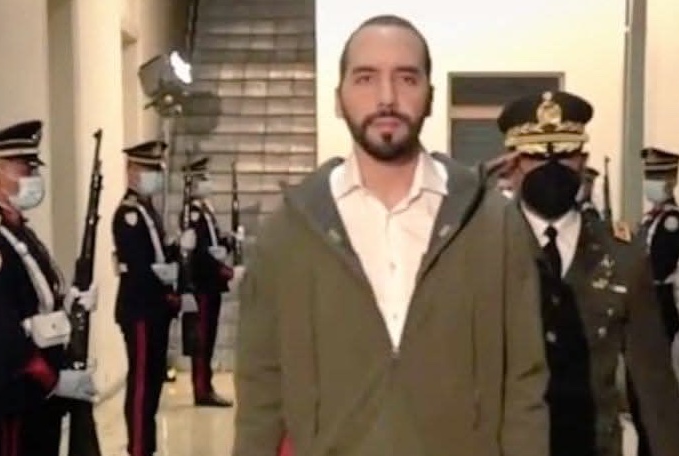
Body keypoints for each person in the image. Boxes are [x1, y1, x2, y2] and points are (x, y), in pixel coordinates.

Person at [234, 14, 548, 456]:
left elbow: (524, 385)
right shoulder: (288, 233)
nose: (386, 97)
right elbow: (260, 392)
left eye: (406, 78)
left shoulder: (492, 224)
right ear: (338, 98)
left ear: (430, 96)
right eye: (365, 78)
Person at [496, 90, 679, 456]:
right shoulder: (485, 248)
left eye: (564, 153)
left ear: (583, 160)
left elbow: (653, 385)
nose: (551, 167)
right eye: (537, 156)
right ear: (513, 164)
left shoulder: (623, 254)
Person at [0, 120, 97, 456]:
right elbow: (0, 328)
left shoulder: (16, 229)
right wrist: (52, 379)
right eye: (25, 168)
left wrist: (71, 303)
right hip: (12, 392)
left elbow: (37, 298)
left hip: (39, 393)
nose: (34, 177)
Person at [112, 139, 192, 456]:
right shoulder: (128, 214)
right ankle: (139, 448)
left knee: (153, 381)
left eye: (157, 170)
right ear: (132, 171)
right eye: (148, 169)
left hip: (154, 309)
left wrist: (178, 248)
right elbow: (141, 268)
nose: (154, 176)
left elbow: (159, 253)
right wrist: (169, 295)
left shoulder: (147, 211)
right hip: (141, 309)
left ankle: (147, 444)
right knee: (142, 383)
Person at [629, 147, 679, 456]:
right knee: (637, 393)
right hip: (644, 310)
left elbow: (657, 266)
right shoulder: (652, 218)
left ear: (672, 180)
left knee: (651, 391)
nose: (651, 183)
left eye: (657, 176)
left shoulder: (672, 220)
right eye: (649, 176)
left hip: (657, 309)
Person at [180, 156, 234, 407]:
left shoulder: (205, 210)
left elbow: (213, 244)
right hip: (201, 284)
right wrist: (225, 272)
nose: (208, 182)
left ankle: (206, 384)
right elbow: (200, 254)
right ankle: (201, 388)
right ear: (193, 183)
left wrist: (228, 242)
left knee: (209, 337)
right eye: (203, 178)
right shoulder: (192, 214)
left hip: (211, 285)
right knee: (201, 340)